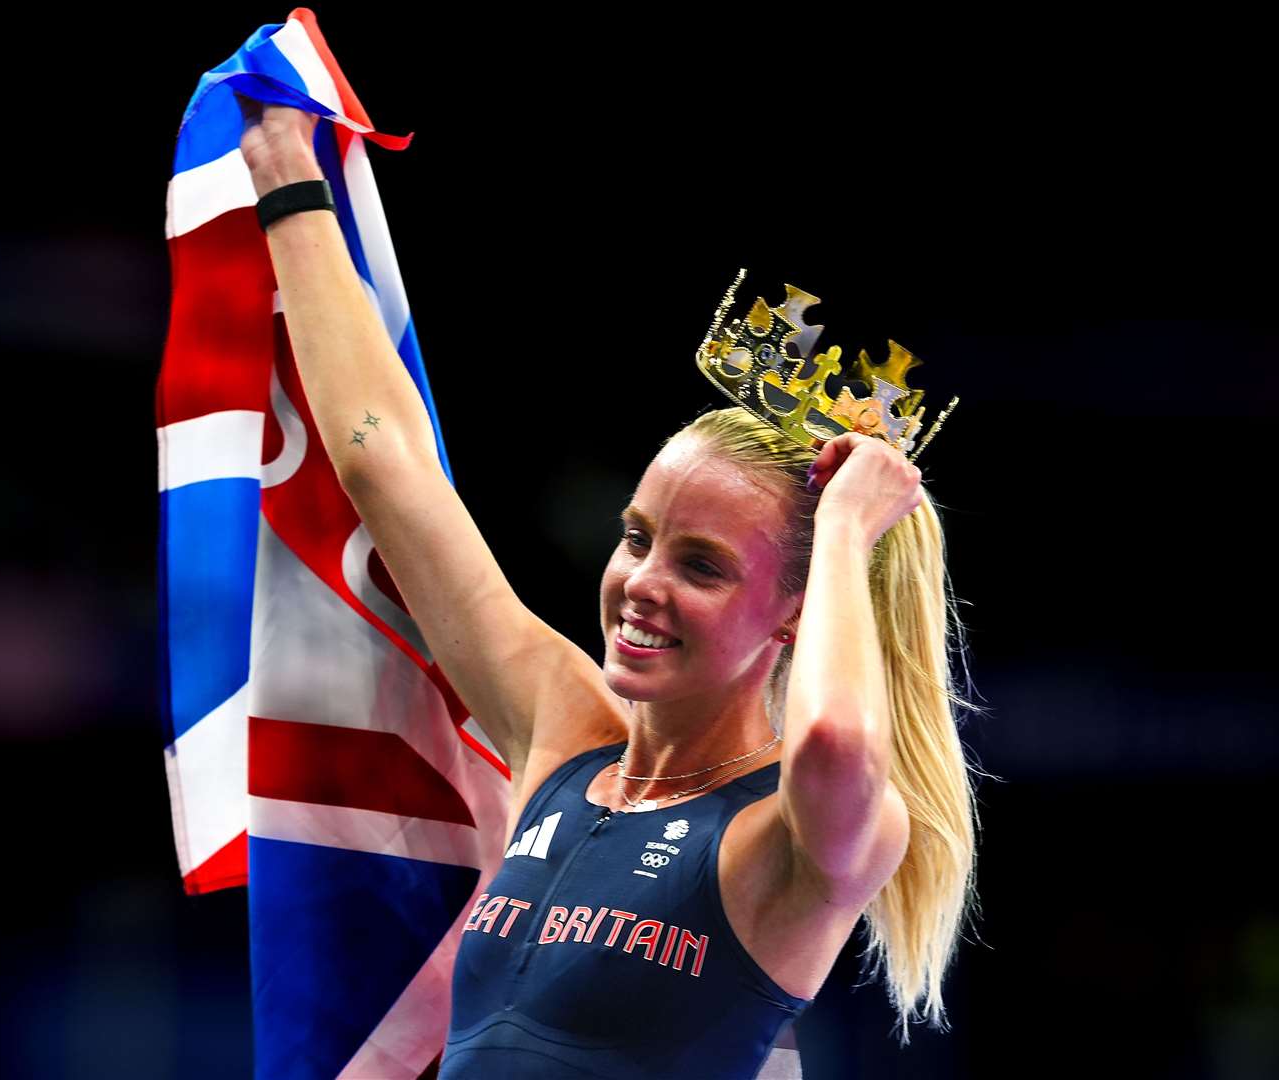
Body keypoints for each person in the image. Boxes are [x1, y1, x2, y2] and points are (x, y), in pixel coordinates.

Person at [241, 100, 983, 1078]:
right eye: (637, 538)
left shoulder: (795, 843)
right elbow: (387, 466)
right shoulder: (564, 730)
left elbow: (838, 740)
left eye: (701, 565)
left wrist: (846, 524)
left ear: (798, 610)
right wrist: (289, 175)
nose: (641, 584)